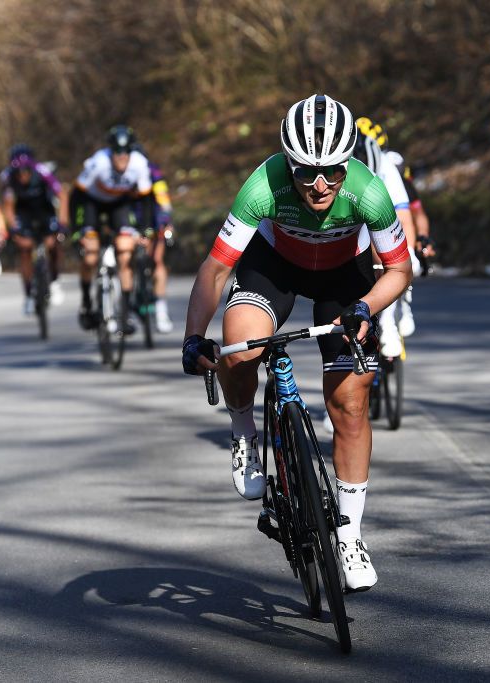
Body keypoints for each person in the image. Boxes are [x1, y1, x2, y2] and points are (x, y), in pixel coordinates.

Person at [181, 94, 413, 592]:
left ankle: (349, 534)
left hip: (343, 279)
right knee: (241, 348)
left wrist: (365, 308)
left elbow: (399, 269)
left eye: (331, 170)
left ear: (347, 161)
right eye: (306, 172)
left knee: (350, 402)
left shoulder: (368, 192)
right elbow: (217, 267)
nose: (320, 183)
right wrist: (192, 337)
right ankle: (245, 431)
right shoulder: (262, 185)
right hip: (275, 267)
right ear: (289, 164)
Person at [356, 117, 436, 337]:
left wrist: (416, 244)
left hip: (392, 213)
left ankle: (402, 304)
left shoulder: (394, 168)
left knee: (399, 256)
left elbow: (411, 214)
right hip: (364, 217)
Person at [69, 125, 153, 330]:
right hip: (92, 203)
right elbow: (75, 197)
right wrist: (75, 229)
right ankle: (87, 303)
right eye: (117, 152)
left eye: (126, 152)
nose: (121, 157)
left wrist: (145, 229)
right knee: (90, 255)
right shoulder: (98, 163)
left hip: (118, 204)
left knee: (125, 251)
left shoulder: (140, 164)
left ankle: (124, 314)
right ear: (110, 151)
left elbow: (146, 200)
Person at [0, 144, 67, 314]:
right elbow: (8, 205)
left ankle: (54, 281)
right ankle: (29, 293)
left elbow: (62, 195)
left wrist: (63, 222)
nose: (22, 175)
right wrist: (13, 228)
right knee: (24, 248)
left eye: (25, 171)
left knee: (54, 243)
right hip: (24, 214)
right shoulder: (8, 176)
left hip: (45, 210)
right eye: (18, 172)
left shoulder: (43, 171)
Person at [132, 150, 176, 333]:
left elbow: (163, 200)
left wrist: (166, 221)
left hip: (151, 218)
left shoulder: (153, 173)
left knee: (157, 261)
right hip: (129, 220)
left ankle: (160, 309)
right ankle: (127, 304)